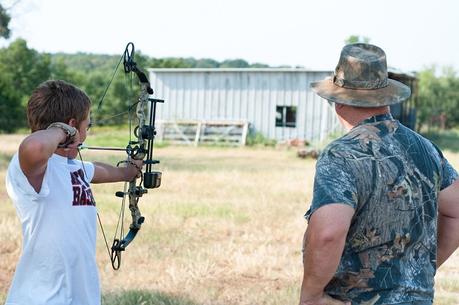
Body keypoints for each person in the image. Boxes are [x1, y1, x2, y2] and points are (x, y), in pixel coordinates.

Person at [299, 43, 459, 305]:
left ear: (338, 102)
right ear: (386, 99)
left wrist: (310, 297)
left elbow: (328, 233)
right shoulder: (426, 149)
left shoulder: (341, 155)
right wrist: (417, 272)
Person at [5, 80, 142, 305]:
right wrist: (62, 131)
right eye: (86, 126)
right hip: (42, 297)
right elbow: (34, 147)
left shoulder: (74, 167)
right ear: (70, 127)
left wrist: (130, 171)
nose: (85, 133)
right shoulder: (32, 168)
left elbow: (99, 171)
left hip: (80, 294)